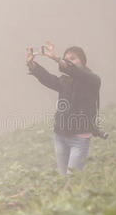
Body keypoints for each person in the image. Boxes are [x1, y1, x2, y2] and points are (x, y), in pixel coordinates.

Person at [26, 42, 105, 175]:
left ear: (83, 61)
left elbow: (74, 70)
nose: (68, 61)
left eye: (73, 58)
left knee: (72, 178)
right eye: (66, 58)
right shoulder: (65, 81)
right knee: (64, 177)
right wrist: (32, 65)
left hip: (80, 138)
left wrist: (57, 58)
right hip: (60, 136)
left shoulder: (93, 80)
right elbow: (48, 79)